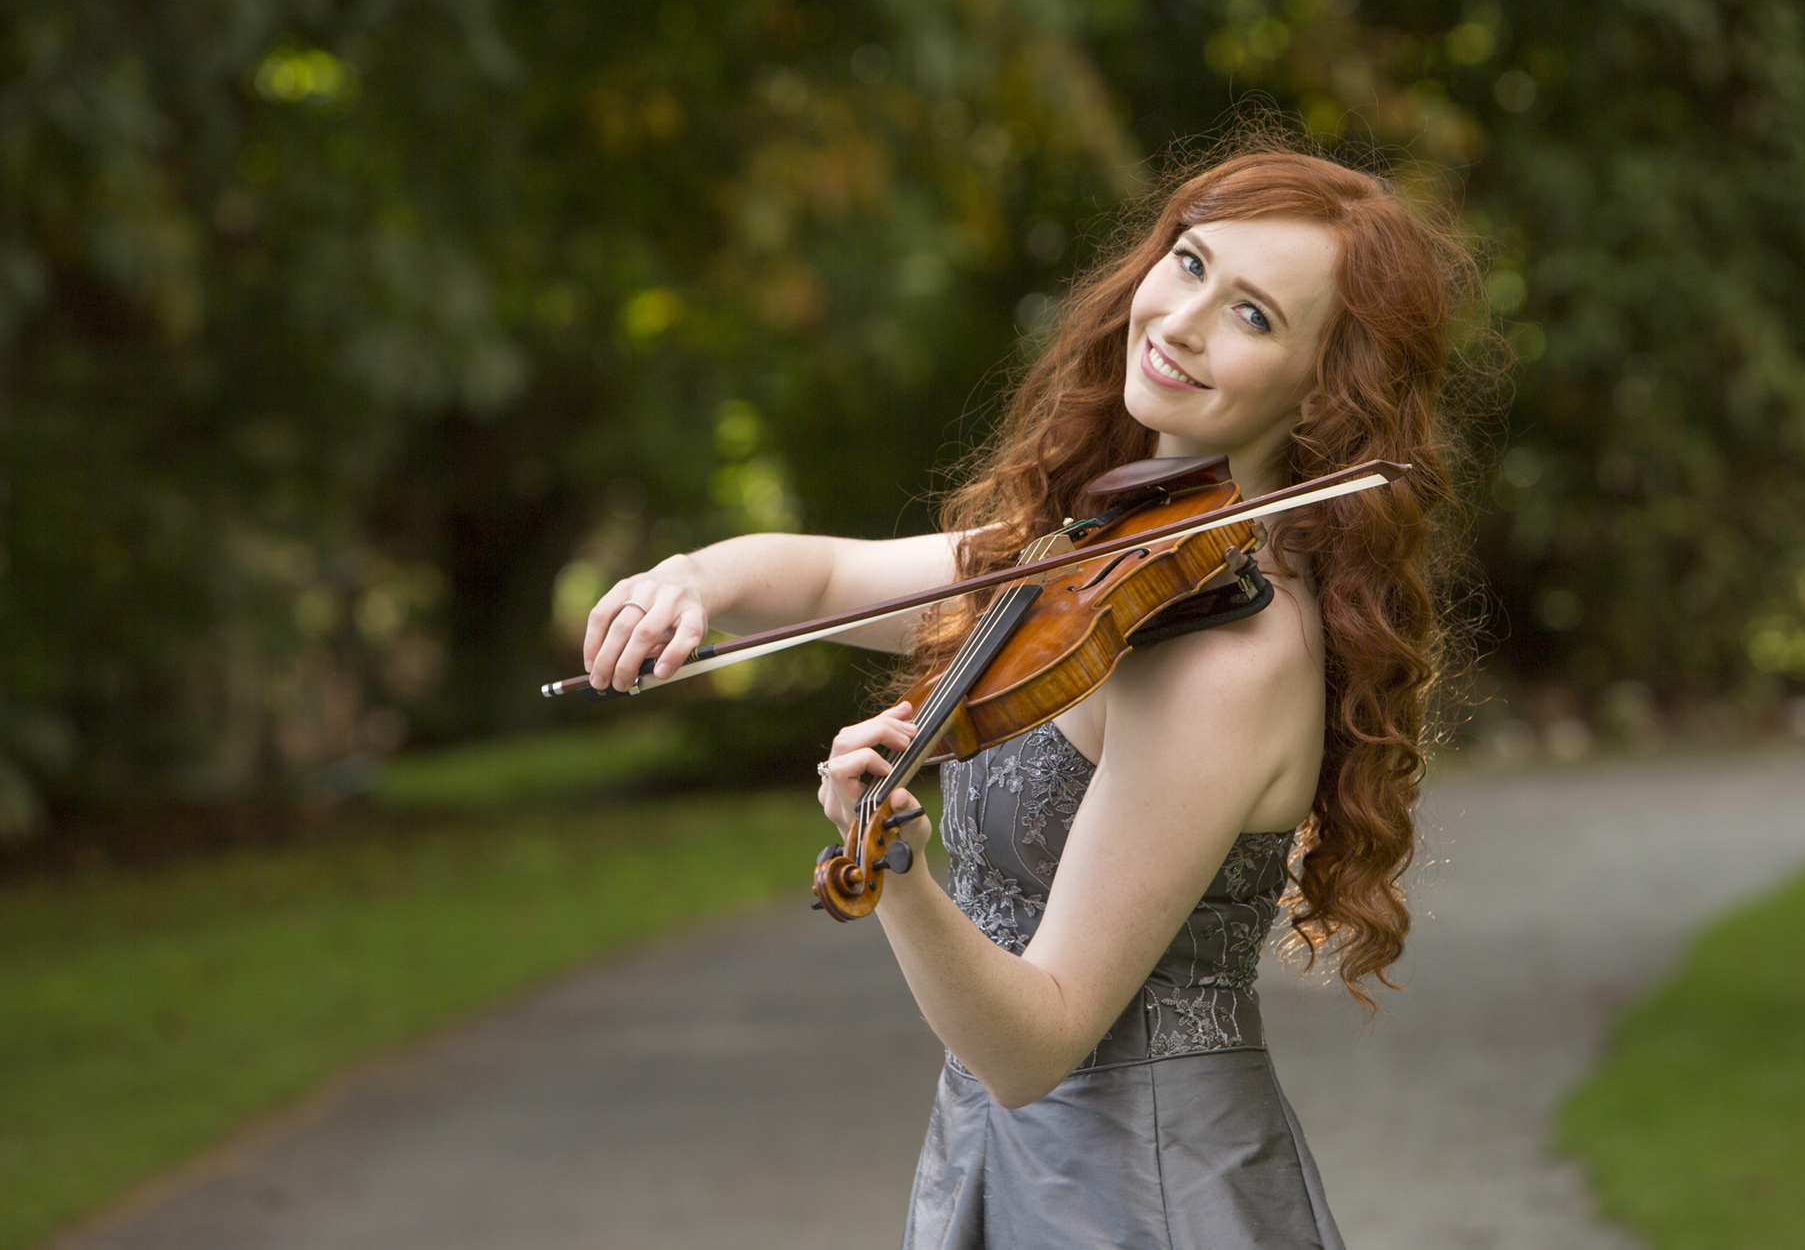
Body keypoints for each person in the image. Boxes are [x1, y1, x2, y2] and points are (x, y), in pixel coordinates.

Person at [581, 141, 1471, 1249]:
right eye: (1190, 262)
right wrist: (691, 580)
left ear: (1323, 390)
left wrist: (896, 873)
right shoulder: (1100, 555)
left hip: (1137, 1192)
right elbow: (825, 578)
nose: (1184, 321)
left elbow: (1035, 1042)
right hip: (1006, 1159)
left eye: (1253, 315)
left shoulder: (1227, 660)